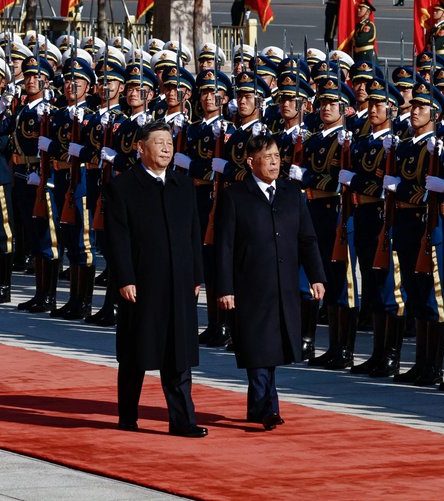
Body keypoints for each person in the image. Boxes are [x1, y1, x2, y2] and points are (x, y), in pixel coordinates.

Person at [214, 134, 326, 429]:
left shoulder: (292, 192)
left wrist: (316, 276)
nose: (275, 162)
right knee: (256, 345)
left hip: (284, 284)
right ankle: (268, 408)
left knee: (273, 346)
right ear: (251, 162)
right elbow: (223, 245)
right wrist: (224, 287)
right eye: (268, 157)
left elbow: (307, 239)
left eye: (277, 156)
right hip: (250, 284)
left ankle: (258, 405)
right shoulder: (235, 195)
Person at [105, 120, 207, 437]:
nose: (166, 148)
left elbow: (194, 236)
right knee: (137, 351)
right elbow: (116, 238)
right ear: (141, 147)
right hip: (142, 283)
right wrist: (124, 277)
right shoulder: (123, 186)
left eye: (169, 143)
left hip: (178, 284)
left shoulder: (183, 186)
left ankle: (182, 421)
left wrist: (196, 276)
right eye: (159, 142)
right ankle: (127, 415)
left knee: (178, 355)